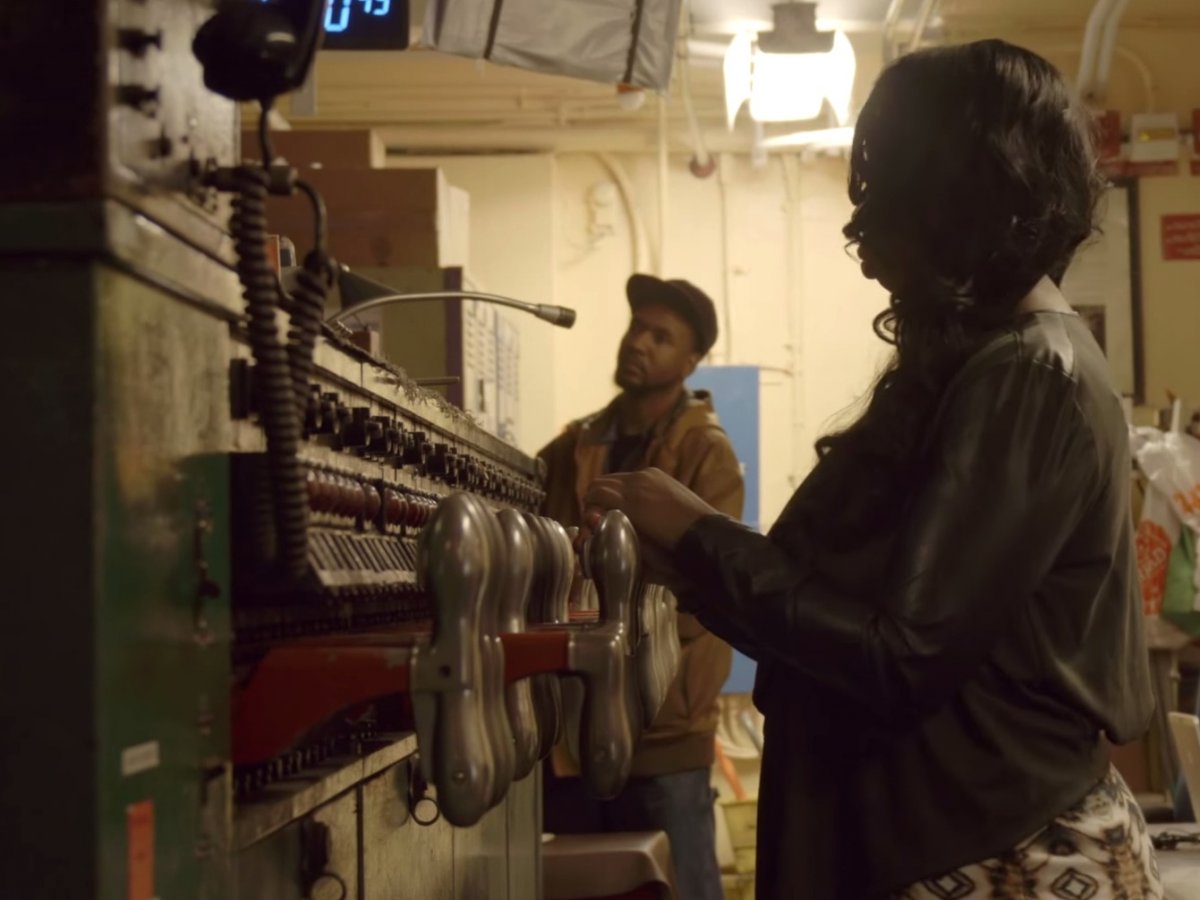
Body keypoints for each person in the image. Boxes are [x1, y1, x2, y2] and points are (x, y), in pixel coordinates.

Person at [580, 41, 1160, 900]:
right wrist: (696, 553)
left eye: (886, 204)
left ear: (959, 201)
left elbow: (901, 652)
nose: (865, 246)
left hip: (993, 854)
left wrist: (699, 537)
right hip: (952, 838)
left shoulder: (1029, 373)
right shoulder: (987, 363)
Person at [538, 273, 744, 900]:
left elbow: (708, 588)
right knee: (583, 886)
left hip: (662, 729)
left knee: (677, 886)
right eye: (636, 328)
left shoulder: (706, 453)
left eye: (662, 336)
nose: (640, 344)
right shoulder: (577, 444)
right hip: (573, 723)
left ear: (690, 361)